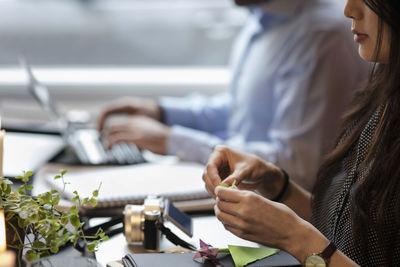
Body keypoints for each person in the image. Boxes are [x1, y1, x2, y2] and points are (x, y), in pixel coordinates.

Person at [202, 0, 400, 265]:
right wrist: (274, 183)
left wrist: (294, 237)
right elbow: (346, 229)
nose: (348, 10)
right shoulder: (382, 97)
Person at [98, 0, 366, 190]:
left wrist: (173, 141)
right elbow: (244, 113)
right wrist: (162, 113)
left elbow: (299, 168)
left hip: (283, 209)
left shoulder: (321, 35)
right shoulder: (263, 18)